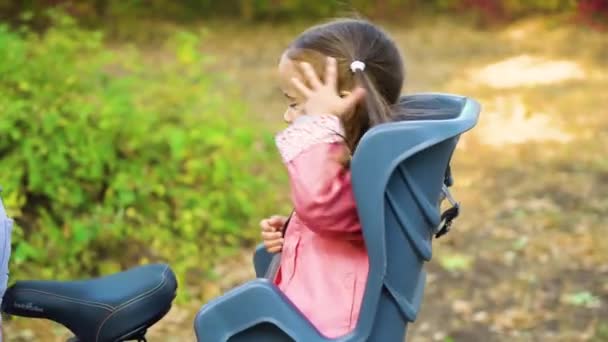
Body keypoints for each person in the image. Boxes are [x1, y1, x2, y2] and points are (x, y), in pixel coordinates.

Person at [260, 18, 406, 338]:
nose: (288, 116)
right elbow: (330, 217)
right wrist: (293, 233)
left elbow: (322, 205)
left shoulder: (373, 173)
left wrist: (320, 123)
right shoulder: (356, 162)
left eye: (296, 105)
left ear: (342, 106)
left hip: (326, 329)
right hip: (313, 315)